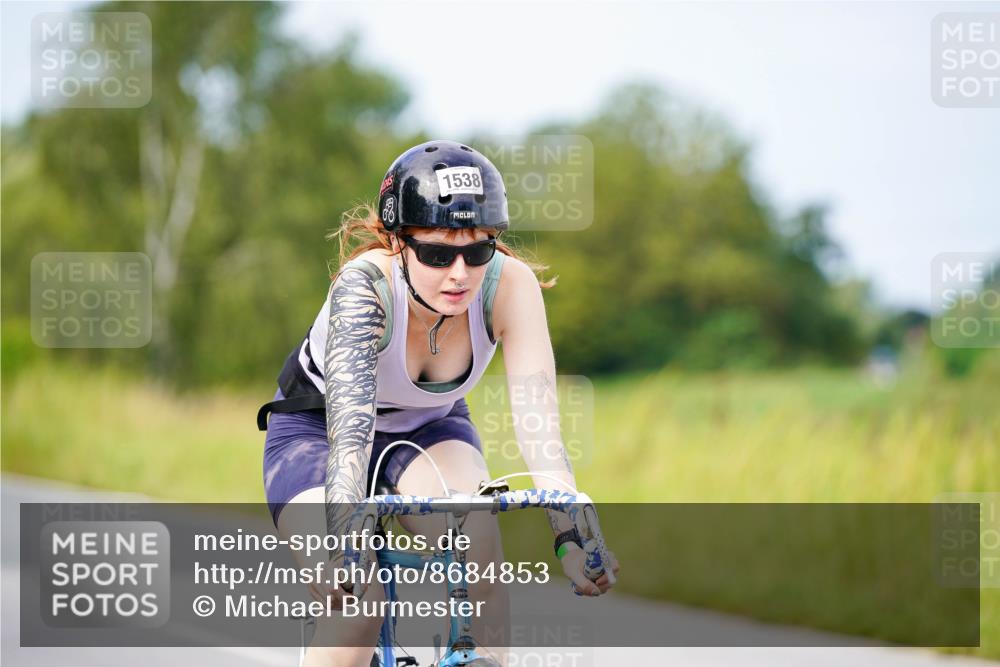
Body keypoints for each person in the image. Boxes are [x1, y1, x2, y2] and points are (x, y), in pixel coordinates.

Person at [258, 140, 618, 666]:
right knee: (358, 603)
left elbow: (541, 431)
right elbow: (351, 438)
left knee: (480, 554)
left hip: (430, 426)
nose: (460, 274)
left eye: (478, 251)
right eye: (436, 252)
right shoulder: (364, 290)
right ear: (399, 242)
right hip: (322, 434)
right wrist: (342, 547)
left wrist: (572, 538)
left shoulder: (510, 286)